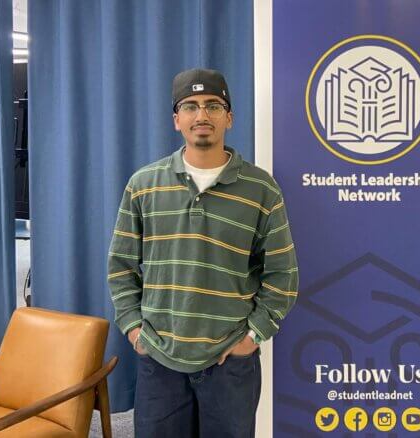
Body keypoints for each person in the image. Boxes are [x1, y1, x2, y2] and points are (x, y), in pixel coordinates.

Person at [107, 68, 299, 438]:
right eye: (190, 106)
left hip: (230, 362)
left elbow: (283, 276)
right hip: (159, 357)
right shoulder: (144, 185)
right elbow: (121, 266)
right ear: (176, 119)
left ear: (229, 117)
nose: (202, 115)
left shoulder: (262, 190)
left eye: (213, 105)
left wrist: (251, 338)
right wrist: (134, 331)